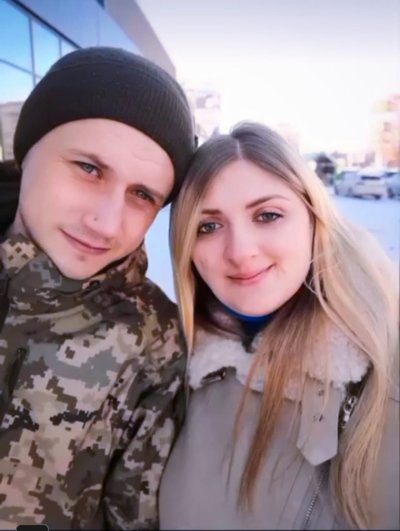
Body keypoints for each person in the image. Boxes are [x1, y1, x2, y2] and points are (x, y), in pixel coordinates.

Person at [159, 122, 399, 530]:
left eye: (267, 215)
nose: (240, 251)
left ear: (313, 217)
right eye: (208, 226)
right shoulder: (170, 369)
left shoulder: (385, 368)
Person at [0, 47, 196, 529]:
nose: (106, 223)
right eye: (89, 168)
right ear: (28, 152)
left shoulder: (153, 340)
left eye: (142, 195)